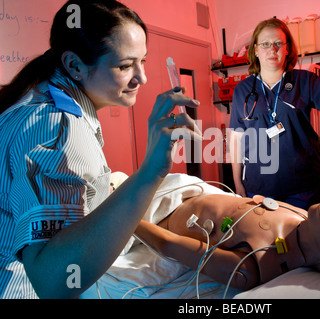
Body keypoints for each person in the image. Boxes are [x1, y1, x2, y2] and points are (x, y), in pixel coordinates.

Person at [0, 0, 200, 299]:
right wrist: (151, 171)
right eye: (125, 66)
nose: (141, 77)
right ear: (75, 65)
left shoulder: (38, 99)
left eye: (142, 60)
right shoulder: (58, 127)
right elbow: (53, 282)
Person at [135, 193, 320, 291]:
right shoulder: (303, 216)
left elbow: (170, 246)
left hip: (158, 214)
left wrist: (124, 218)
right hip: (185, 189)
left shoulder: (256, 264)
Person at [229, 18, 320, 209]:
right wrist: (237, 182)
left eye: (278, 44)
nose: (272, 49)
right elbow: (236, 139)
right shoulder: (243, 89)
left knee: (302, 237)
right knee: (263, 238)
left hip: (302, 188)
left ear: (287, 49)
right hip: (258, 188)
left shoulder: (305, 81)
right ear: (256, 50)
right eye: (265, 44)